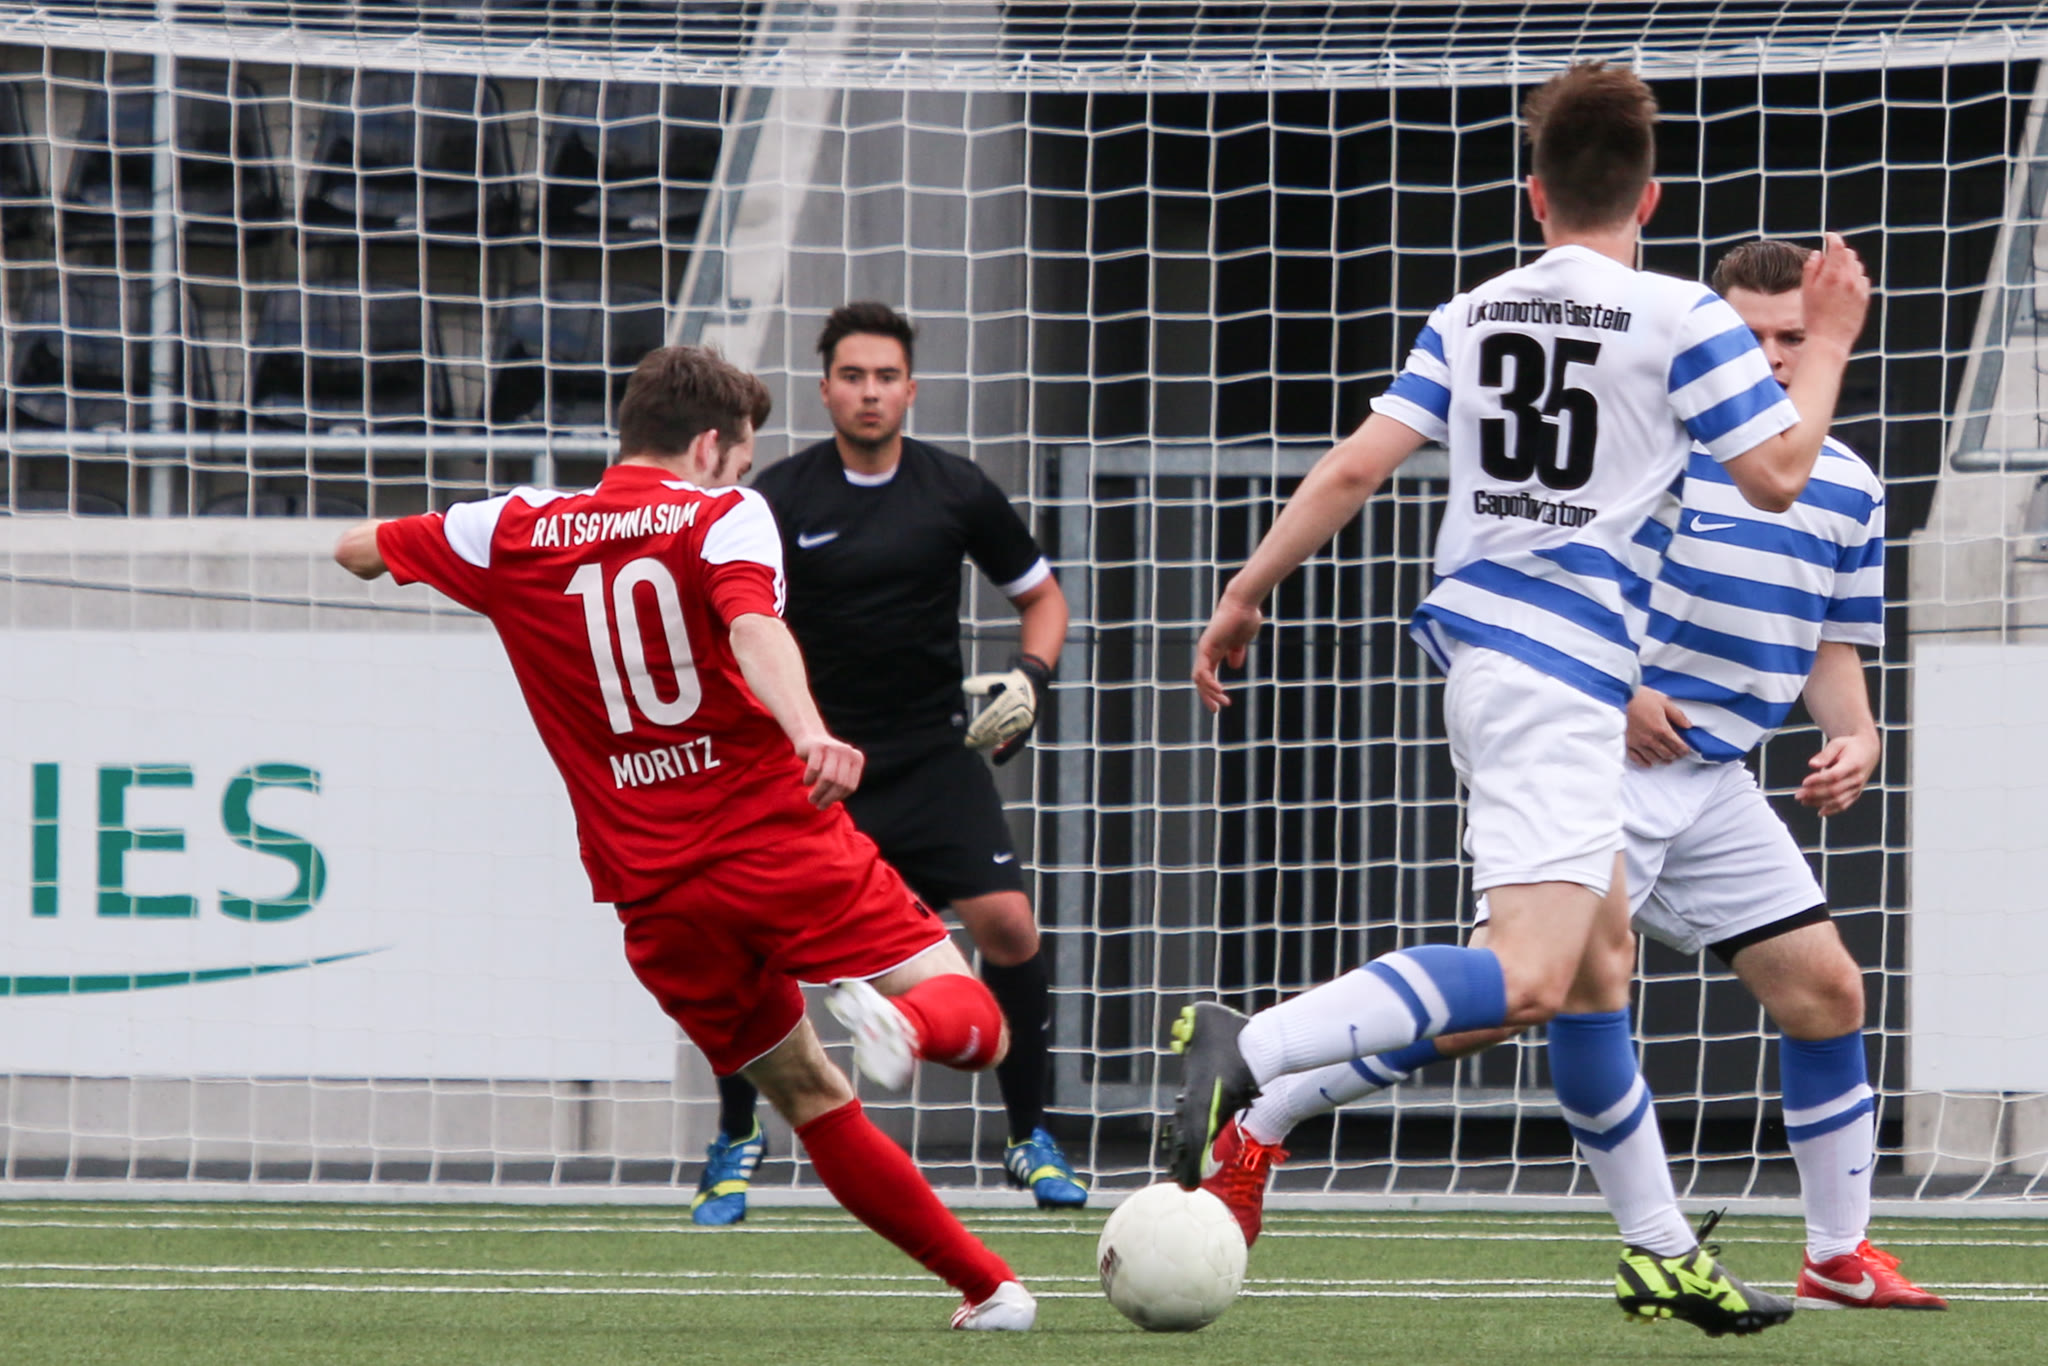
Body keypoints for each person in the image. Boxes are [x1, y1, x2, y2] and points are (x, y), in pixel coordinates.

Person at [1173, 63, 1870, 1337]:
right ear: (1647, 199)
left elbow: (1353, 468)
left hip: (1498, 662)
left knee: (1594, 970)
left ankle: (1659, 1251)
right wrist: (1822, 342)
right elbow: (1776, 474)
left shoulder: (1471, 309)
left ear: (1532, 195)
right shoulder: (1678, 315)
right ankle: (1252, 1052)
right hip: (1558, 680)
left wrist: (1242, 591)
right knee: (1533, 976)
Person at [331, 345, 1036, 1332]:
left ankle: (991, 1290)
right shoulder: (721, 515)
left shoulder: (513, 528)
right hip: (770, 840)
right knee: (979, 1025)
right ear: (710, 447)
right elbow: (751, 625)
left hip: (654, 893)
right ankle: (905, 1030)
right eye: (740, 458)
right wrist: (809, 731)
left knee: (807, 1094)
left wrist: (451, 562)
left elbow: (356, 549)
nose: (741, 474)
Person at [698, 301, 1083, 1223]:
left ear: (911, 389)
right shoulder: (777, 500)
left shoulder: (957, 490)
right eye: (852, 376)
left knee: (1010, 928)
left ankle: (1030, 1137)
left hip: (933, 759)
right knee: (747, 945)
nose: (869, 392)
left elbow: (1045, 601)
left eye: (885, 377)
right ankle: (737, 1135)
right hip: (818, 765)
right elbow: (732, 621)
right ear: (825, 388)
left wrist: (1031, 679)